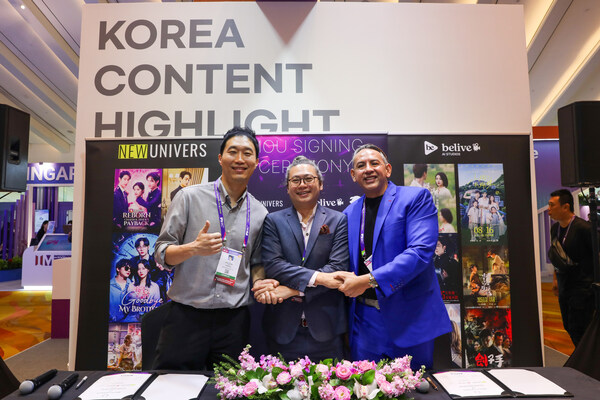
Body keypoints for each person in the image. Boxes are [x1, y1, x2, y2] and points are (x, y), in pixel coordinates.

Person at [153, 127, 269, 370]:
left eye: (247, 153)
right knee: (173, 386)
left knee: (229, 387)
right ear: (220, 158)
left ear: (256, 162)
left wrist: (259, 283)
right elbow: (162, 253)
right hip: (186, 318)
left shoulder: (260, 212)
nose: (239, 159)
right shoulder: (188, 197)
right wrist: (193, 248)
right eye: (233, 152)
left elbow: (256, 262)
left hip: (233, 321)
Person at [334, 144, 450, 369]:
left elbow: (419, 253)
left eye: (374, 163)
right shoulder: (349, 213)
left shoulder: (415, 198)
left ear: (387, 169)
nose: (368, 169)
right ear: (353, 175)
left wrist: (368, 281)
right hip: (364, 323)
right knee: (366, 386)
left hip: (410, 319)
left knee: (414, 386)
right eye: (361, 166)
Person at [256, 156, 349, 361]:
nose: (302, 185)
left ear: (320, 184)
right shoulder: (273, 220)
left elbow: (337, 268)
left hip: (327, 330)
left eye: (308, 179)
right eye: (295, 180)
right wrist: (320, 278)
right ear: (287, 188)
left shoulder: (338, 220)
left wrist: (292, 290)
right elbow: (274, 265)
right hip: (283, 330)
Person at [548, 189, 595, 346]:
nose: (549, 209)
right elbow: (557, 256)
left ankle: (586, 359)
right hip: (564, 286)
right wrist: (555, 279)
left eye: (552, 205)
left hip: (583, 288)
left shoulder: (584, 228)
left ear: (565, 207)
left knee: (580, 328)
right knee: (568, 326)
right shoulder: (555, 229)